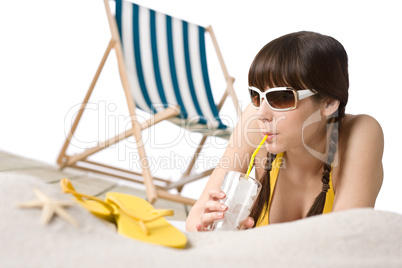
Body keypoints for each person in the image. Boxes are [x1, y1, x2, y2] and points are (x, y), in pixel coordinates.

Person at [185, 31, 384, 232]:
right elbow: (196, 216)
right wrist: (207, 225)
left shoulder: (361, 133)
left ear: (329, 103)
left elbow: (343, 241)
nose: (262, 113)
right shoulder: (255, 121)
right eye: (256, 95)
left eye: (281, 97)